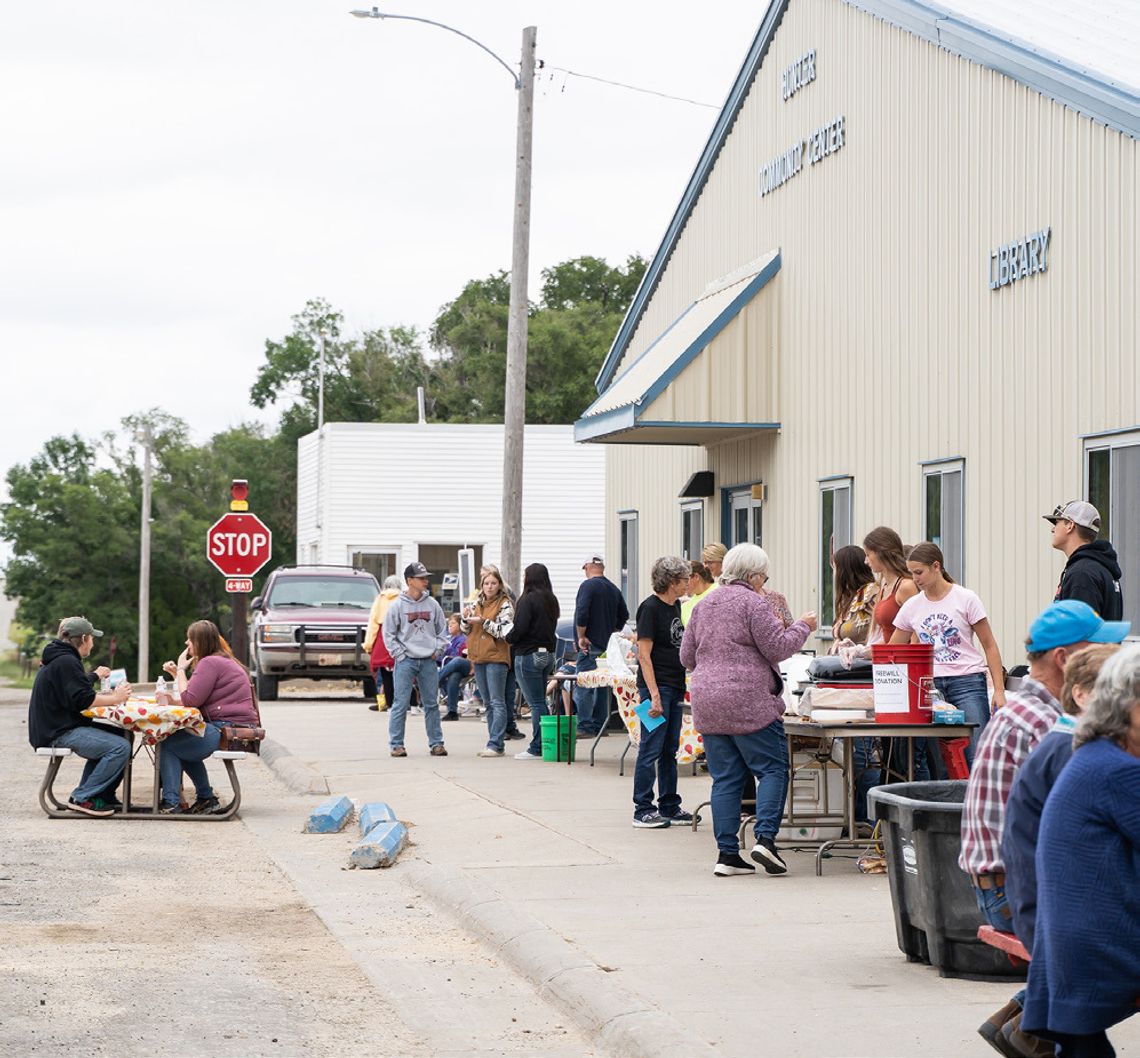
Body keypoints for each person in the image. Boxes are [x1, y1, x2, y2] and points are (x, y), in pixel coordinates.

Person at [960, 601, 1130, 1055]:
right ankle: (1035, 1020)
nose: (1113, 658)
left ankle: (1032, 1018)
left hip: (1008, 884)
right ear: (1067, 661)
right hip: (1014, 895)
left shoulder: (1025, 711)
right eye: (1105, 650)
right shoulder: (1054, 727)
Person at [1021, 646, 1140, 1058]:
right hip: (1099, 947)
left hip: (1068, 946)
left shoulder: (1094, 756)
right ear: (1124, 707)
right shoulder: (1117, 771)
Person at [680, 543, 817, 877]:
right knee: (771, 768)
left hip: (708, 701)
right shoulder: (753, 603)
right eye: (764, 576)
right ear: (754, 575)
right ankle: (765, 840)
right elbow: (778, 647)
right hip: (748, 700)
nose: (764, 583)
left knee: (725, 778)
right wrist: (803, 626)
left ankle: (728, 855)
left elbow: (686, 657)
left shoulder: (704, 603)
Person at [891, 541, 1006, 766]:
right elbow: (894, 650)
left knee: (976, 754)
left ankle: (977, 800)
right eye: (911, 573)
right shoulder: (912, 606)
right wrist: (861, 653)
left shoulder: (965, 598)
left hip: (968, 682)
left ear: (936, 566)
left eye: (919, 572)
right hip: (929, 687)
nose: (915, 579)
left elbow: (989, 644)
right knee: (941, 761)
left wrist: (999, 691)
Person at [27, 616, 133, 817]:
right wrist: (115, 698)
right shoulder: (67, 661)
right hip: (58, 732)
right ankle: (83, 797)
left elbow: (75, 688)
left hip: (56, 727)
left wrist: (95, 678)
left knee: (124, 735)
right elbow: (83, 699)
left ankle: (102, 793)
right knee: (120, 747)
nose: (92, 644)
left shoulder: (61, 658)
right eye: (92, 639)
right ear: (83, 638)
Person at [160, 620, 261, 814]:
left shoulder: (210, 663)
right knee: (183, 743)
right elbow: (196, 698)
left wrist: (180, 670)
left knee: (169, 744)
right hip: (231, 725)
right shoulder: (220, 660)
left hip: (229, 729)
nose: (186, 643)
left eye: (190, 640)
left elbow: (190, 699)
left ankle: (171, 803)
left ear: (200, 642)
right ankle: (206, 798)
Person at [631, 556, 693, 828]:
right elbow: (644, 655)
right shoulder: (649, 609)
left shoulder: (676, 605)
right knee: (650, 747)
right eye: (683, 580)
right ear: (670, 581)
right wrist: (653, 694)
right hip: (654, 689)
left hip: (675, 685)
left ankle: (669, 804)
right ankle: (642, 808)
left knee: (670, 748)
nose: (687, 584)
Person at [828, 545, 879, 825]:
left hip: (864, 679)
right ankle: (858, 813)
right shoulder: (849, 599)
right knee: (853, 749)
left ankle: (870, 817)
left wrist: (849, 643)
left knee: (863, 749)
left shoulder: (869, 593)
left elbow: (869, 631)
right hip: (849, 678)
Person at [383, 561, 450, 758]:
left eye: (426, 577)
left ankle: (436, 743)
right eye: (421, 578)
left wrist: (437, 650)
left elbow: (442, 630)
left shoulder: (433, 605)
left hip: (428, 660)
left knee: (431, 704)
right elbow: (389, 634)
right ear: (409, 581)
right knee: (400, 703)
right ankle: (396, 744)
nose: (425, 581)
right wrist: (400, 655)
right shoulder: (397, 606)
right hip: (406, 661)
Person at [571, 554, 629, 738]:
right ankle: (600, 725)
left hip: (590, 644)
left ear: (587, 567)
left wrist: (581, 636)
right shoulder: (613, 588)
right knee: (603, 685)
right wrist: (613, 632)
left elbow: (582, 612)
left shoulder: (587, 586)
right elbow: (624, 614)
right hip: (607, 646)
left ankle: (585, 725)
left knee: (584, 684)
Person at [462, 565, 516, 758]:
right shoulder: (476, 602)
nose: (490, 586)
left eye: (493, 583)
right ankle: (494, 742)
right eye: (486, 583)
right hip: (478, 656)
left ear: (499, 584)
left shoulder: (505, 604)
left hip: (496, 657)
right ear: (481, 585)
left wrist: (482, 622)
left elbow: (504, 631)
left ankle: (496, 743)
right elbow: (466, 630)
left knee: (497, 701)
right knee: (487, 702)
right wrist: (466, 619)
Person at [507, 563, 559, 761]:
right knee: (541, 701)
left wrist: (508, 637)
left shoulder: (527, 599)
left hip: (528, 654)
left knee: (535, 703)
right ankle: (546, 743)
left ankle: (537, 747)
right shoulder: (551, 600)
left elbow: (520, 629)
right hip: (548, 655)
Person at [1045, 500, 1123, 620]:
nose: (1052, 529)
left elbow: (1079, 632)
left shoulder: (1082, 574)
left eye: (1057, 522)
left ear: (1070, 525)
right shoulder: (1103, 569)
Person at [363, 575, 403, 712]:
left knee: (384, 675)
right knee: (403, 673)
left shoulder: (380, 599)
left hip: (382, 638)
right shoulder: (404, 599)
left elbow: (373, 624)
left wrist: (368, 645)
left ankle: (386, 703)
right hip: (401, 637)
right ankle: (407, 703)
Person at [437, 613, 471, 722]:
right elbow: (442, 656)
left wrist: (447, 648)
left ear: (460, 625)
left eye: (453, 623)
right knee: (454, 677)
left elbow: (457, 655)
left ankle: (435, 681)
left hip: (469, 664)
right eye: (448, 624)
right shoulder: (449, 639)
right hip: (454, 668)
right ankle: (452, 712)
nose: (449, 626)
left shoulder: (462, 639)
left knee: (457, 660)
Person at [680, 561, 714, 626]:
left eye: (685, 580)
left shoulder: (719, 590)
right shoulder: (684, 607)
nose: (682, 584)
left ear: (696, 577)